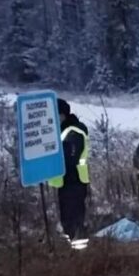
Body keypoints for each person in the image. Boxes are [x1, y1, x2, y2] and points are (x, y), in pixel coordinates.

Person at [47, 98, 90, 242]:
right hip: (67, 182)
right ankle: (71, 249)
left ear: (62, 115)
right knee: (67, 219)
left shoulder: (74, 132)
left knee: (74, 221)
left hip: (74, 181)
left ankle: (79, 253)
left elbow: (69, 156)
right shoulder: (63, 131)